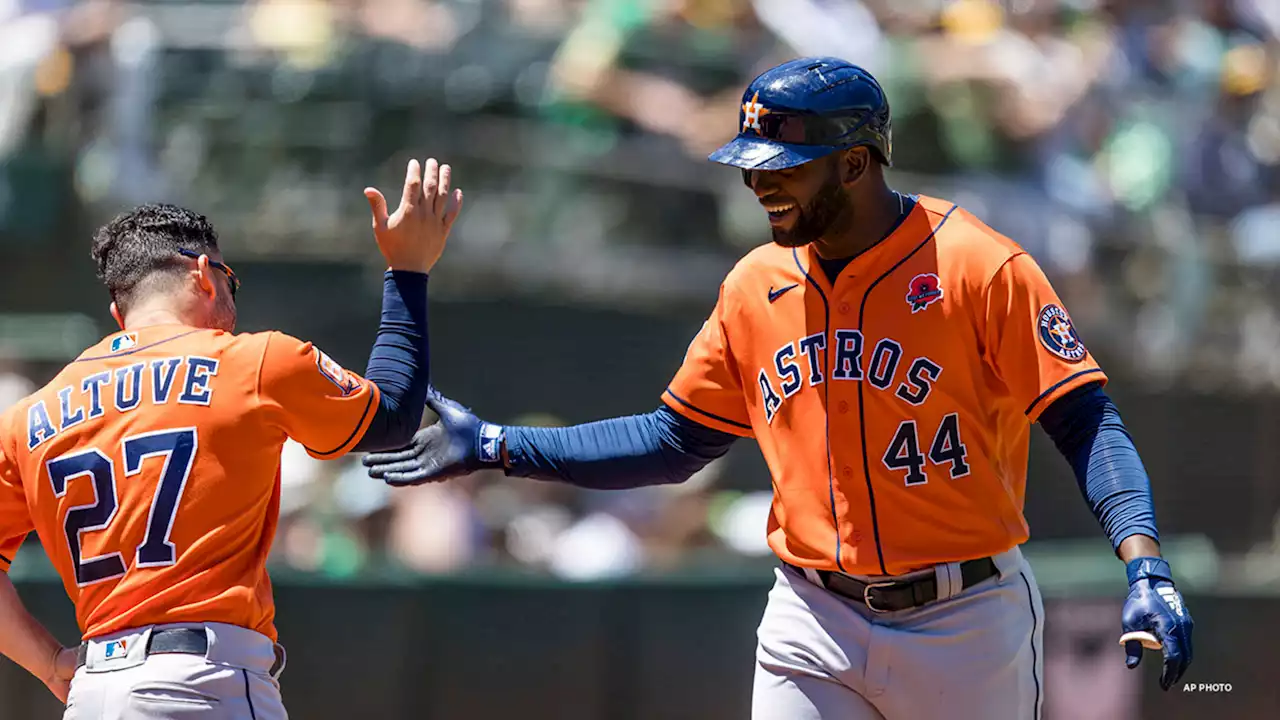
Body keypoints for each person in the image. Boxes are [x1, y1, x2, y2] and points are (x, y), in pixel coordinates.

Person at [363, 58, 1193, 720]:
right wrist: (500, 447)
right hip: (813, 616)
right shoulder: (755, 283)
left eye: (785, 167)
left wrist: (1145, 564)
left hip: (965, 621)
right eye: (752, 164)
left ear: (857, 163)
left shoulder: (979, 266)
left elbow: (1087, 422)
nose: (759, 183)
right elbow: (672, 441)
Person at [0, 157, 462, 718]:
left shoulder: (28, 416)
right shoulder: (252, 362)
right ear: (202, 272)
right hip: (201, 683)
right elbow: (391, 419)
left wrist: (50, 664)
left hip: (95, 691)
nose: (232, 300)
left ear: (119, 313)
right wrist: (408, 271)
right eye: (229, 280)